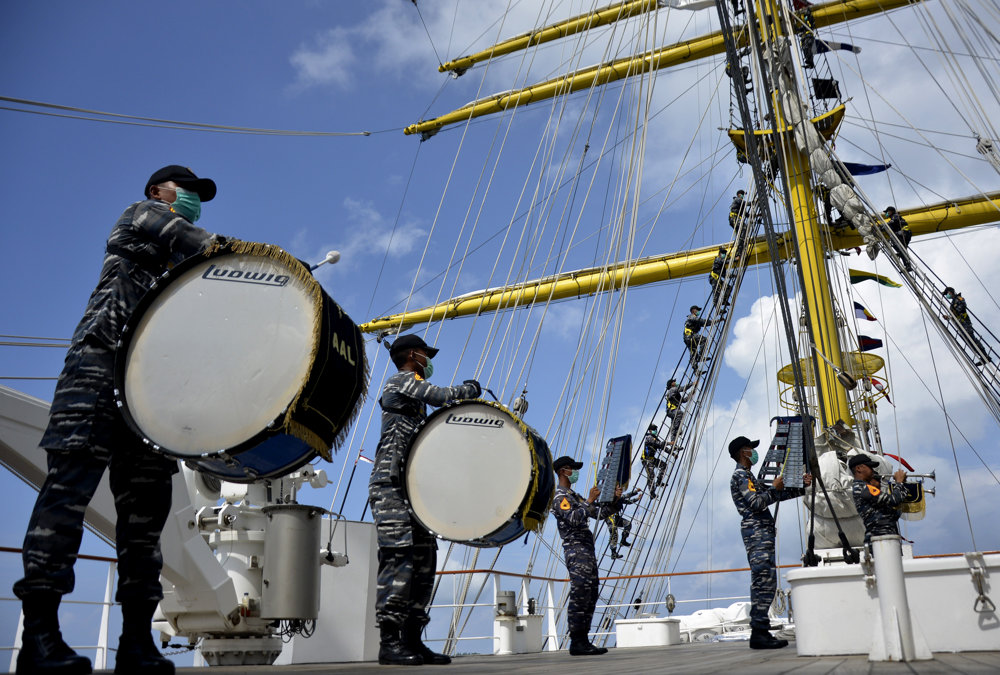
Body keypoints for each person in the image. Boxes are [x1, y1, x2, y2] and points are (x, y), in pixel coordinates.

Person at [13, 165, 223, 675]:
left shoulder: (184, 266)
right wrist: (272, 263)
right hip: (98, 364)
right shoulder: (143, 216)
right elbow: (200, 242)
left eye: (199, 195)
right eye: (187, 190)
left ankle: (136, 641)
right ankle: (40, 637)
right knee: (67, 494)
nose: (193, 199)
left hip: (148, 390)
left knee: (145, 516)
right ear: (158, 192)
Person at [369, 334, 481, 666]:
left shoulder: (412, 397)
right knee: (399, 559)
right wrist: (468, 390)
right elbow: (440, 396)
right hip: (390, 488)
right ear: (414, 355)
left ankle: (413, 640)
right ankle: (389, 643)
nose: (428, 360)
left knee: (423, 561)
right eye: (425, 355)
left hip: (413, 491)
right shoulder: (400, 382)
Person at [728, 435, 813, 650]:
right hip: (756, 530)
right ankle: (759, 632)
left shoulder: (749, 476)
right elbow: (757, 502)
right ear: (742, 452)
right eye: (750, 449)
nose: (753, 452)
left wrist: (801, 487)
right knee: (762, 580)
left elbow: (771, 495)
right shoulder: (740, 476)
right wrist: (775, 488)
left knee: (767, 581)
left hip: (761, 530)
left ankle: (761, 630)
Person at [551, 456, 615, 656]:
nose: (575, 472)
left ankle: (584, 640)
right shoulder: (560, 497)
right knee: (580, 592)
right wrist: (588, 501)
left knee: (590, 592)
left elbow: (598, 514)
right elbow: (575, 518)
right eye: (572, 469)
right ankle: (577, 641)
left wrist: (615, 499)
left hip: (586, 550)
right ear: (563, 471)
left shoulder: (574, 495)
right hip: (575, 549)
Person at [849, 454, 907, 545]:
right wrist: (899, 482)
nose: (872, 470)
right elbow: (894, 500)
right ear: (859, 468)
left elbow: (893, 514)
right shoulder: (864, 488)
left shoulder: (862, 487)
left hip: (885, 538)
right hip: (881, 539)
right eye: (870, 467)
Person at [942, 286, 990, 365]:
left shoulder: (959, 298)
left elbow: (963, 306)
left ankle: (985, 355)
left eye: (947, 293)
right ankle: (982, 356)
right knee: (968, 341)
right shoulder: (952, 304)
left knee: (971, 338)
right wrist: (948, 317)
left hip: (965, 322)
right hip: (960, 324)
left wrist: (955, 313)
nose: (947, 296)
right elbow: (954, 315)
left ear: (950, 292)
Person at [604, 489, 640, 559]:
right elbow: (626, 496)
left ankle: (623, 539)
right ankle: (613, 553)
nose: (620, 492)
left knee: (628, 524)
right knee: (614, 531)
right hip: (610, 517)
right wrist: (635, 491)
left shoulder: (619, 498)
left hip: (616, 517)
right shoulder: (611, 497)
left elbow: (628, 502)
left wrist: (637, 499)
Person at [665, 378, 695, 449]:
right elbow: (682, 389)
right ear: (671, 384)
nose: (675, 382)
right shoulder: (672, 389)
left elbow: (684, 400)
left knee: (673, 426)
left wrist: (691, 393)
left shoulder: (676, 393)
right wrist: (692, 384)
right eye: (674, 382)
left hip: (671, 411)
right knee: (680, 414)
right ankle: (678, 429)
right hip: (672, 410)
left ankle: (673, 444)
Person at [640, 424, 668, 499]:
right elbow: (658, 444)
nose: (656, 431)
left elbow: (662, 447)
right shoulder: (649, 438)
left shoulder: (655, 438)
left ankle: (659, 481)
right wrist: (668, 443)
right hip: (646, 460)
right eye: (654, 430)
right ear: (650, 430)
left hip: (652, 459)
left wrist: (673, 451)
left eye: (656, 430)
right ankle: (652, 493)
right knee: (651, 475)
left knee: (664, 465)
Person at [883, 206, 912, 271]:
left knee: (894, 242)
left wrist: (883, 226)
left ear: (891, 211)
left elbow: (893, 222)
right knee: (902, 251)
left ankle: (904, 259)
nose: (886, 214)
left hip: (904, 233)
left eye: (887, 212)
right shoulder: (893, 218)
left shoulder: (895, 216)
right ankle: (907, 265)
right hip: (906, 234)